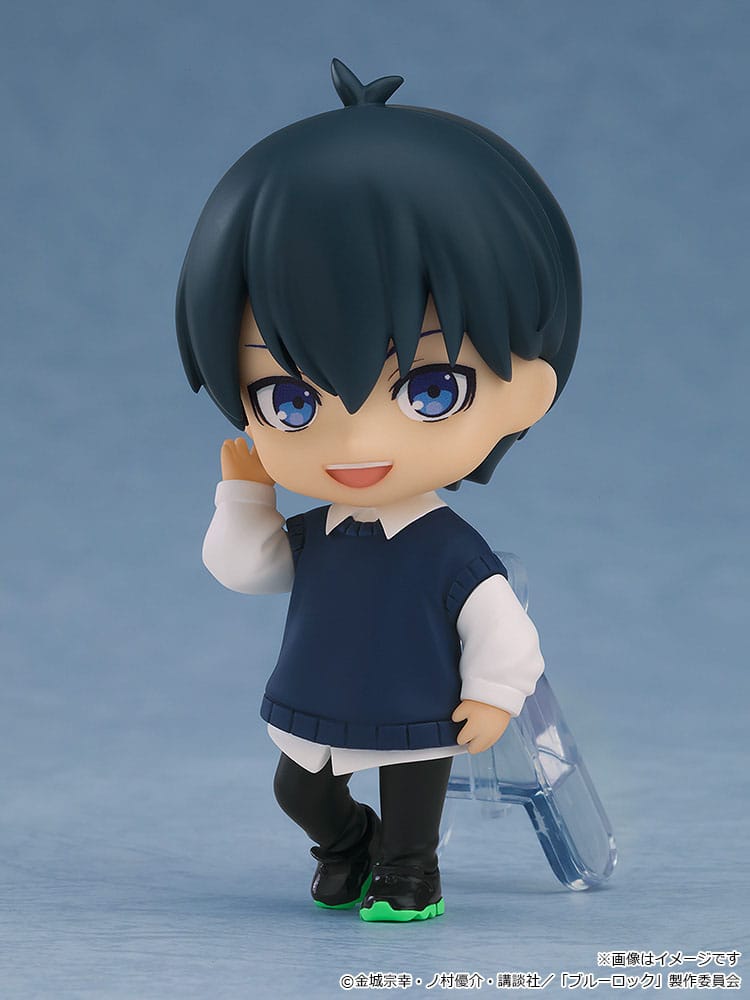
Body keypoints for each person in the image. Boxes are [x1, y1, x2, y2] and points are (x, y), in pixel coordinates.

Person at [176, 59, 582, 922]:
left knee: (412, 805)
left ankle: (407, 872)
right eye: (289, 400)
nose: (358, 443)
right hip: (317, 693)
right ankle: (344, 844)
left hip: (417, 706)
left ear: (527, 392)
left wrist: (493, 695)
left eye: (431, 389)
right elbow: (248, 570)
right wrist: (245, 499)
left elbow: (504, 628)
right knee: (297, 789)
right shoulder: (316, 533)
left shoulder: (448, 549)